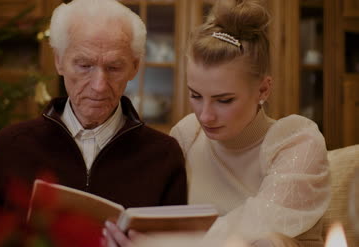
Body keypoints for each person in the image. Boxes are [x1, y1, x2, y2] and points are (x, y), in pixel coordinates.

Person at [105, 0, 330, 246]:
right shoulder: (187, 134)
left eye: (224, 100)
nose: (205, 116)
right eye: (195, 96)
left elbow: (256, 228)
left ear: (263, 89)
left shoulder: (297, 143)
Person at [0, 0, 187, 214]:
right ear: (59, 61)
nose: (99, 86)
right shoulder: (14, 143)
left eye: (114, 67)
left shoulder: (164, 156)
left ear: (135, 67)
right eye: (84, 65)